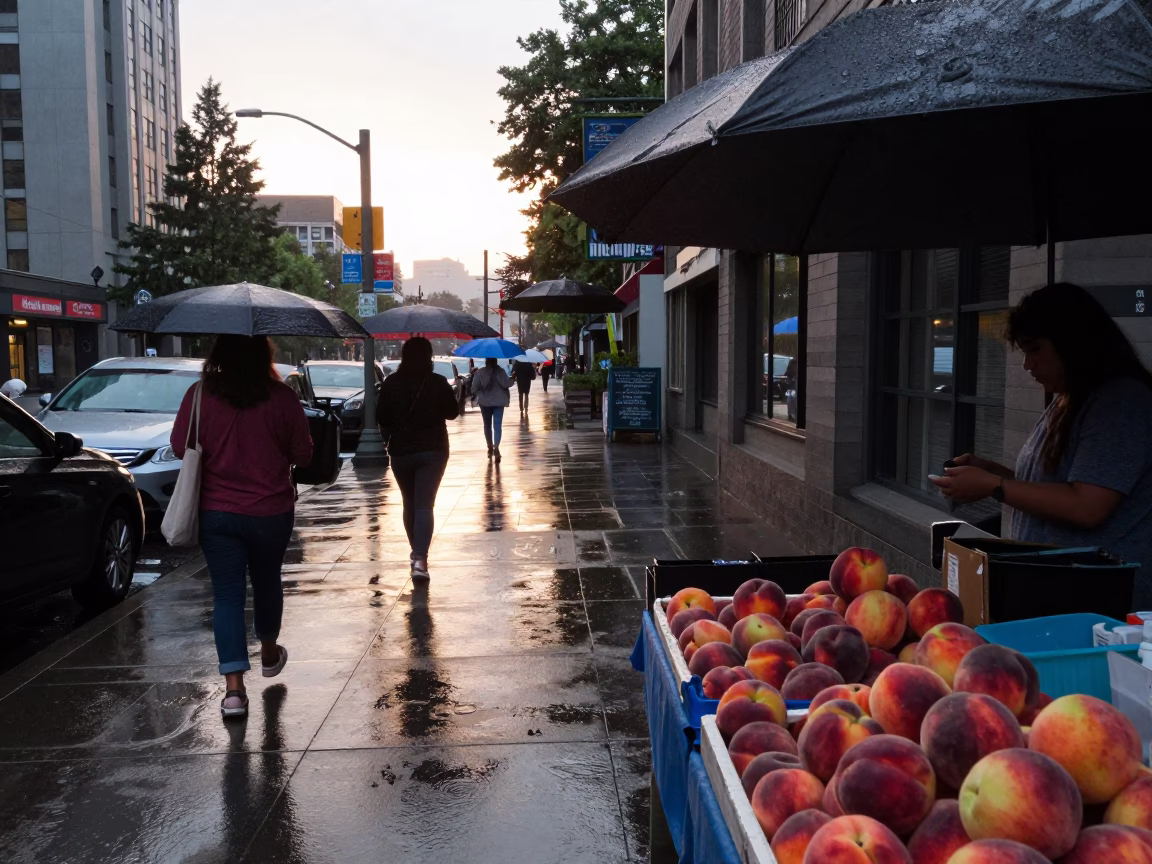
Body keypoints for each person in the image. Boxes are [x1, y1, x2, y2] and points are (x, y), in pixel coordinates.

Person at [931, 282, 1152, 607]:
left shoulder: (1121, 402)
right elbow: (1058, 488)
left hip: (1100, 609)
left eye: (1035, 349)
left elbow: (1087, 506)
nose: (1028, 365)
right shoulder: (1069, 397)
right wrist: (995, 473)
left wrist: (995, 486)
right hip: (1060, 592)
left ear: (1074, 342)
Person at [171, 335, 313, 720]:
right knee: (267, 581)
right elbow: (304, 453)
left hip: (217, 513)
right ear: (262, 355)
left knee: (227, 597)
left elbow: (179, 446)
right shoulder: (281, 398)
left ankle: (234, 692)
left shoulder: (199, 394)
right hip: (271, 511)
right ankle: (268, 653)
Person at [377, 337, 459, 580]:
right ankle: (420, 558)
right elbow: (453, 413)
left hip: (402, 451)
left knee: (409, 503)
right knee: (425, 504)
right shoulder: (437, 382)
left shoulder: (392, 383)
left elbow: (381, 417)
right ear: (429, 356)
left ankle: (417, 553)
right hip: (433, 450)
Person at [471, 356, 511, 461]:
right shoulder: (501, 371)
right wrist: (513, 378)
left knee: (487, 425)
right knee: (497, 425)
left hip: (484, 402)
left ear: (486, 361)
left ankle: (489, 447)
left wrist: (479, 392)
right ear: (496, 361)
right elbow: (507, 384)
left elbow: (474, 388)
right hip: (499, 402)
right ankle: (496, 447)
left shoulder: (480, 372)